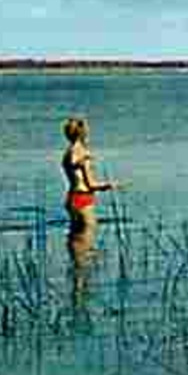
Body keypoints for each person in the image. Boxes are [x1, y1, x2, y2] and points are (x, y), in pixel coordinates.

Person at [60, 116, 118, 300]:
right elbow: (91, 184)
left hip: (71, 198)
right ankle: (79, 289)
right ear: (83, 133)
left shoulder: (68, 152)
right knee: (87, 239)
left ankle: (77, 287)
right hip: (84, 199)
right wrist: (109, 185)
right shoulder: (82, 154)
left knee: (76, 238)